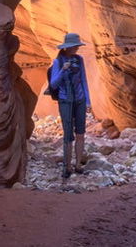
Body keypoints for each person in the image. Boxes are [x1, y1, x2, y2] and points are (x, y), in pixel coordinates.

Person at [47, 32, 91, 179]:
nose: (75, 49)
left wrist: (88, 101)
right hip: (65, 100)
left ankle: (78, 165)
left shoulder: (79, 60)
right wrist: (63, 70)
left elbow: (83, 80)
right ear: (66, 47)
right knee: (68, 134)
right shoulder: (58, 62)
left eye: (76, 46)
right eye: (73, 46)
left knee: (80, 133)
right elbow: (54, 84)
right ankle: (67, 166)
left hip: (79, 100)